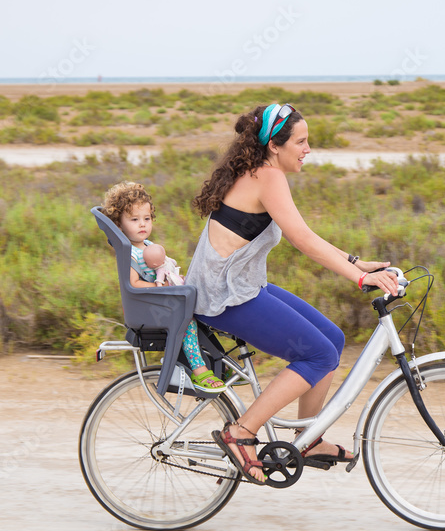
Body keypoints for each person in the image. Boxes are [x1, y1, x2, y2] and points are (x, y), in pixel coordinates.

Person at [184, 103, 400, 483]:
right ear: (274, 147)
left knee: (332, 339)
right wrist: (358, 279)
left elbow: (305, 231)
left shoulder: (260, 173)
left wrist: (355, 262)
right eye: (300, 141)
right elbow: (301, 239)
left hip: (239, 285)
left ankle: (307, 438)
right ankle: (241, 432)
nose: (308, 149)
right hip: (223, 294)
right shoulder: (267, 177)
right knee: (317, 355)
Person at [102, 181, 226, 393]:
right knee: (187, 324)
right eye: (134, 219)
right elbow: (133, 284)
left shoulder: (147, 246)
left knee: (200, 307)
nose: (143, 224)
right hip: (147, 307)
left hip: (159, 301)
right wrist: (161, 286)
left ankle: (218, 363)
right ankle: (199, 370)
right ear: (119, 224)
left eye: (147, 219)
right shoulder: (130, 253)